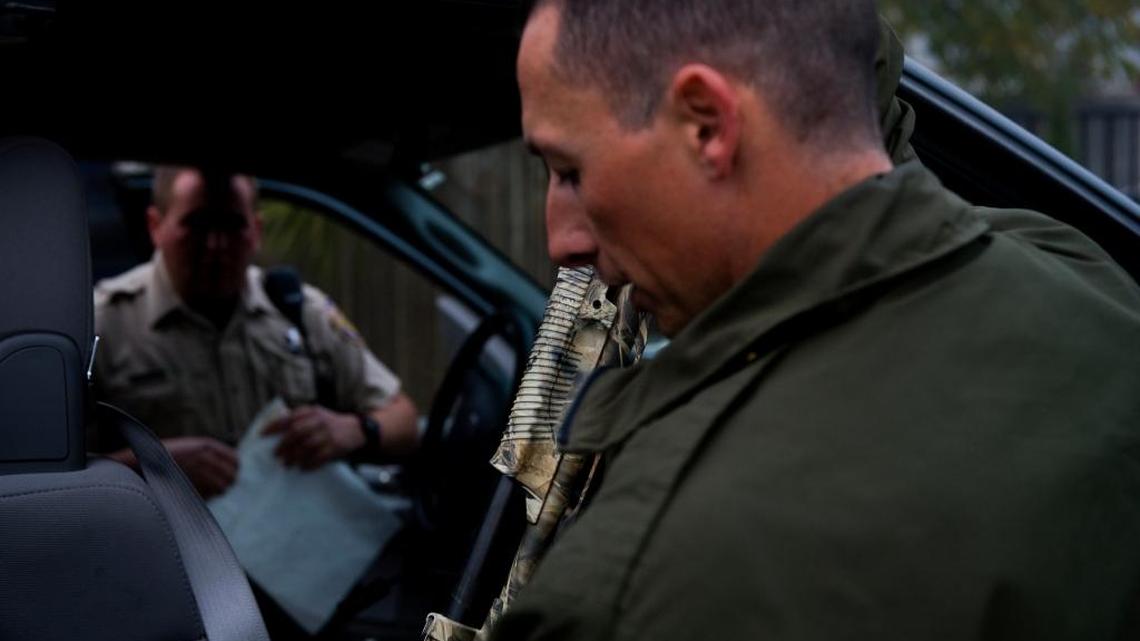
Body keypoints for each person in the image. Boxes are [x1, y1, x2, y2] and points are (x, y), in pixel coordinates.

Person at [493, 1, 1140, 639]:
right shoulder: (1088, 281)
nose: (561, 241)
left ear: (708, 125)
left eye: (572, 172)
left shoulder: (636, 582)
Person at [91, 166, 419, 498]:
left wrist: (355, 430)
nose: (216, 245)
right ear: (155, 226)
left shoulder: (300, 311)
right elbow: (47, 476)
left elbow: (404, 419)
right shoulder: (101, 324)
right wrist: (148, 466)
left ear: (257, 230)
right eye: (197, 224)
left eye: (232, 225)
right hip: (163, 545)